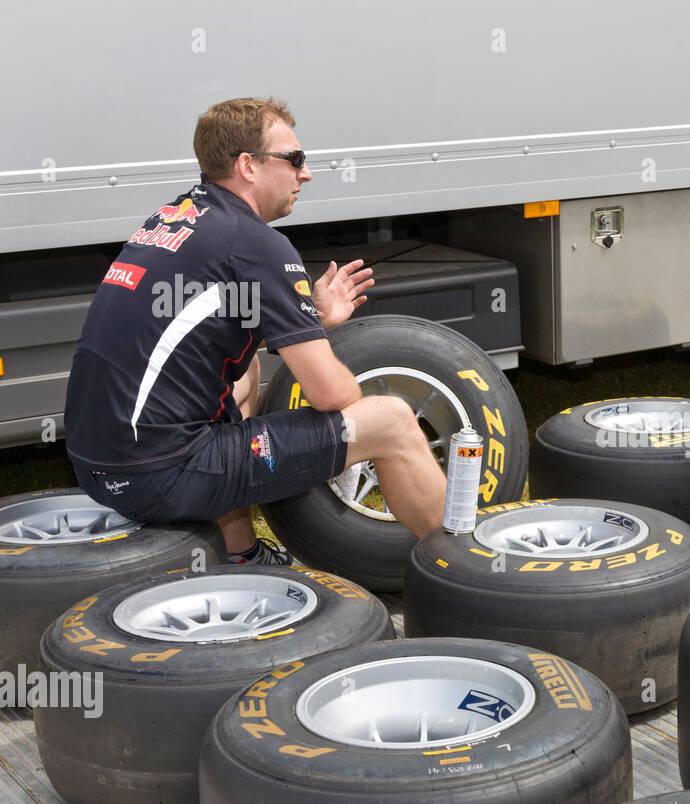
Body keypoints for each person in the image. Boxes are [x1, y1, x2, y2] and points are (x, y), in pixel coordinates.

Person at [65, 97, 446, 564]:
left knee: (242, 377)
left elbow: (204, 329)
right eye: (295, 159)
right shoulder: (258, 244)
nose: (304, 173)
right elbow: (331, 394)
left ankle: (241, 553)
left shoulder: (174, 216)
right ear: (248, 165)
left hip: (96, 465)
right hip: (159, 474)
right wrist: (355, 435)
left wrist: (310, 318)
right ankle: (466, 569)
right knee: (391, 420)